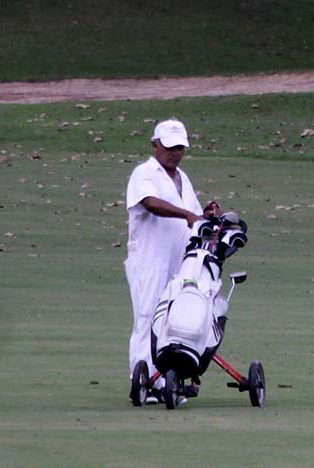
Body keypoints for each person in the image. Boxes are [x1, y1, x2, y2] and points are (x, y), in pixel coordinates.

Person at [125, 118, 219, 404]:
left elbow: (192, 214)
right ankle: (142, 382)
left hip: (179, 261)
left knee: (173, 319)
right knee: (148, 318)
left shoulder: (182, 178)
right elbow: (150, 203)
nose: (175, 152)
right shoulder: (144, 173)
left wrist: (205, 214)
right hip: (150, 260)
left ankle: (168, 380)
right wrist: (187, 215)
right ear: (155, 145)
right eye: (169, 147)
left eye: (180, 147)